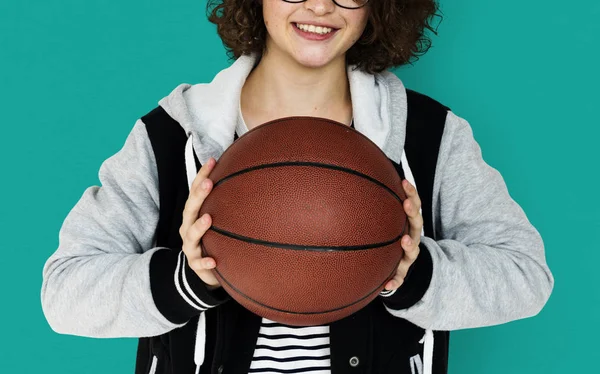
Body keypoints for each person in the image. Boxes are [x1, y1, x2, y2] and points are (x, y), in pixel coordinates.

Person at [41, 0, 554, 373]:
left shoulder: (428, 136)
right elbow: (64, 294)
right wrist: (188, 280)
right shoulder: (172, 134)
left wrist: (412, 272)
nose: (320, 7)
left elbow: (526, 276)